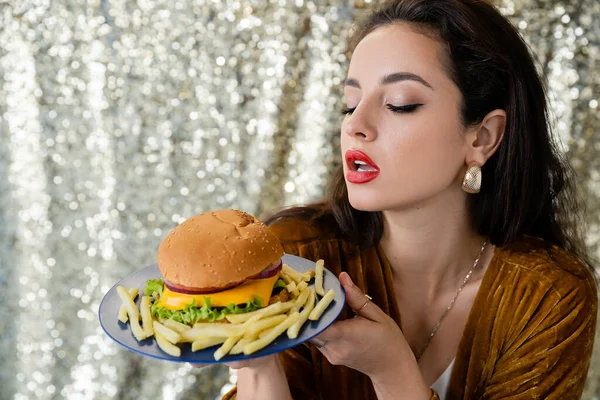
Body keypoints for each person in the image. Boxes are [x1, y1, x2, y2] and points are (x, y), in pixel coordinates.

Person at [194, 0, 599, 398]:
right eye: (349, 104)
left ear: (482, 137)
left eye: (399, 104)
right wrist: (259, 356)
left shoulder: (548, 295)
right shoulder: (297, 262)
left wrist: (391, 370)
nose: (356, 125)